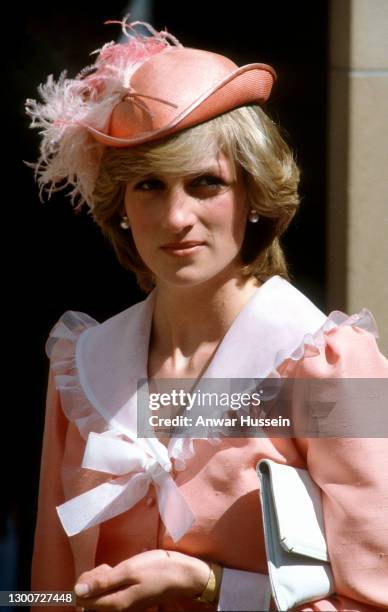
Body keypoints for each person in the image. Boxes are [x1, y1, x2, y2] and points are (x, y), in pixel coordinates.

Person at [26, 18, 388, 612]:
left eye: (205, 183)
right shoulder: (79, 365)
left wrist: (215, 587)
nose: (176, 218)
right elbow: (45, 591)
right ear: (118, 207)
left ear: (252, 196)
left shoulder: (333, 364)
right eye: (148, 185)